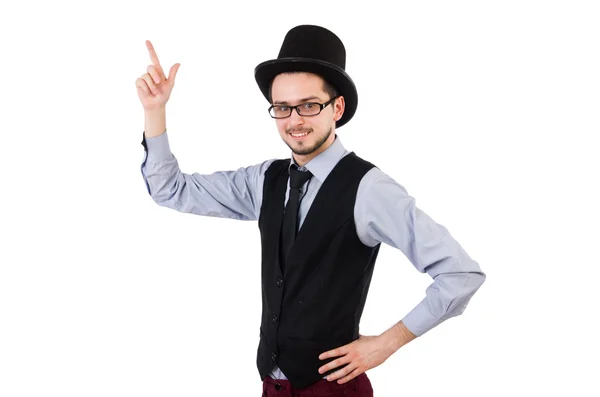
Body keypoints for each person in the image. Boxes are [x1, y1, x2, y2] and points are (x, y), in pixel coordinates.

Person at [136, 25, 486, 397]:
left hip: (333, 388)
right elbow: (170, 190)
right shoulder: (265, 180)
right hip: (273, 386)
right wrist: (155, 111)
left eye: (309, 105)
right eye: (283, 108)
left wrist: (387, 343)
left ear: (337, 108)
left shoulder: (369, 190)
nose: (294, 120)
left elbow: (460, 273)